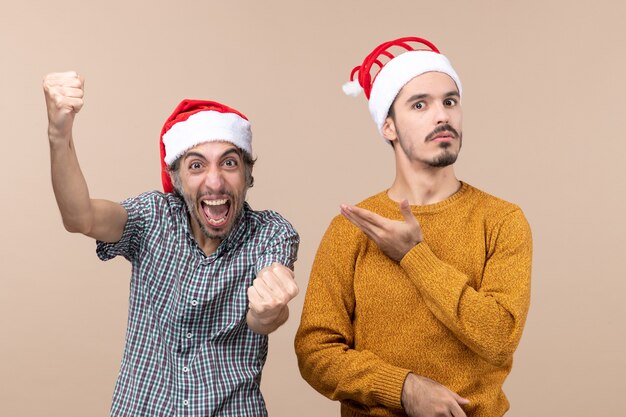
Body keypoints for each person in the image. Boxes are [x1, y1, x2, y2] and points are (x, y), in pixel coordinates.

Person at [294, 37, 532, 417]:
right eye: (420, 104)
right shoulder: (352, 228)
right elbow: (315, 353)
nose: (442, 116)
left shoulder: (502, 220)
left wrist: (413, 255)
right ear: (388, 126)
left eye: (450, 101)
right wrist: (403, 388)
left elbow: (499, 337)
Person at [43, 71, 300, 417]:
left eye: (229, 163)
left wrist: (269, 308)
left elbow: (264, 316)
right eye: (196, 165)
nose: (215, 180)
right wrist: (59, 135)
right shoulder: (153, 218)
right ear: (177, 180)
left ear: (248, 175)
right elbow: (80, 217)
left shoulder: (269, 232)